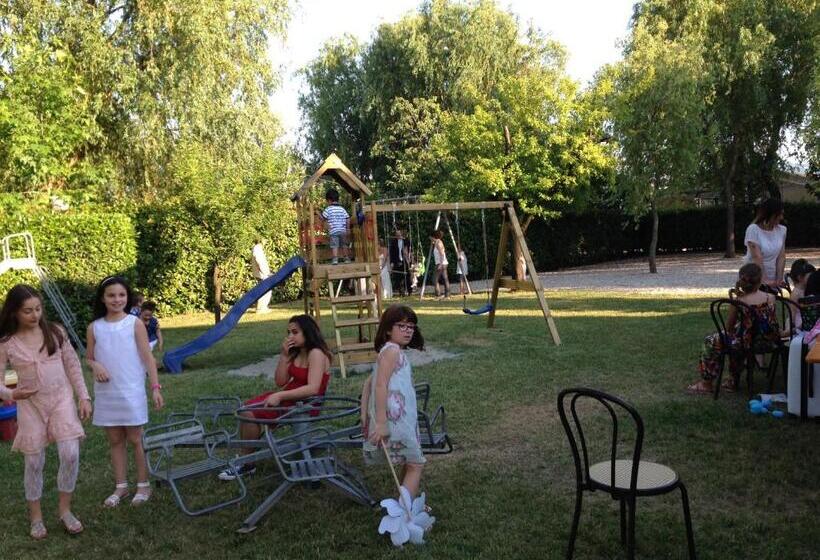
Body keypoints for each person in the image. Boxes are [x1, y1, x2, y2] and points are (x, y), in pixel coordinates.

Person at [0, 285, 92, 539]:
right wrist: (10, 394)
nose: (35, 315)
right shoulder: (7, 343)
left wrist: (83, 396)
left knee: (70, 453)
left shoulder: (55, 332)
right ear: (15, 312)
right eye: (27, 311)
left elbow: (73, 366)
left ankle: (65, 510)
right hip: (30, 406)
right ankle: (36, 518)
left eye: (38, 309)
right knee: (34, 460)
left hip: (61, 399)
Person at [219, 314, 332, 480]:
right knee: (246, 409)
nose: (290, 336)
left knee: (249, 413)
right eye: (288, 332)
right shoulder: (297, 352)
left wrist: (280, 396)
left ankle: (246, 463)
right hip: (288, 397)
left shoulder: (316, 353)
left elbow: (313, 388)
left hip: (305, 403)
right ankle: (246, 460)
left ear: (308, 332)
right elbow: (281, 381)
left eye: (295, 332)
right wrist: (284, 356)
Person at [87, 276, 164, 507]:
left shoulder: (134, 323)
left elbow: (147, 358)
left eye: (121, 295)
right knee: (115, 440)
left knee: (135, 438)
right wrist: (95, 365)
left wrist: (155, 387)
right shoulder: (94, 327)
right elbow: (89, 358)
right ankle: (121, 486)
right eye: (111, 295)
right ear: (103, 298)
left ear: (127, 297)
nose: (117, 299)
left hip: (130, 390)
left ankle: (143, 484)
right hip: (106, 393)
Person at [360, 305, 426, 499]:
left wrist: (363, 412)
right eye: (402, 326)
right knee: (416, 464)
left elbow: (369, 382)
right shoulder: (392, 351)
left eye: (411, 327)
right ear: (388, 329)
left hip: (401, 418)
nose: (408, 331)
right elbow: (379, 385)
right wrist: (380, 423)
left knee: (409, 461)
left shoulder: (392, 350)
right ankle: (404, 516)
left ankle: (404, 501)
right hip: (395, 420)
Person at [687, 263, 780, 395]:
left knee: (714, 340)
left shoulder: (739, 301)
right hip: (768, 341)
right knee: (738, 340)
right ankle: (732, 380)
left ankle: (707, 383)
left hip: (745, 341)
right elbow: (771, 322)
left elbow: (729, 327)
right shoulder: (770, 297)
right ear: (760, 281)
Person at [743, 198, 787, 289]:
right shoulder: (753, 229)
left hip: (773, 277)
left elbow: (781, 256)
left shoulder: (782, 230)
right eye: (779, 214)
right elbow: (757, 257)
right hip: (753, 277)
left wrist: (779, 278)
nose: (781, 217)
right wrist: (764, 280)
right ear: (770, 214)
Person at [322, 188, 350, 264]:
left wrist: (318, 214)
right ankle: (346, 258)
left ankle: (335, 259)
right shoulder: (342, 209)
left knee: (335, 245)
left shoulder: (328, 209)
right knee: (344, 244)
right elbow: (347, 218)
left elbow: (323, 217)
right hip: (342, 230)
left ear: (329, 200)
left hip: (333, 231)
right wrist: (347, 228)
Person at [788, 259, 815, 331]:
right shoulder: (796, 294)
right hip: (801, 324)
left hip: (810, 320)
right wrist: (791, 329)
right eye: (810, 276)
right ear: (800, 277)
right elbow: (792, 314)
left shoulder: (809, 289)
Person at [252, 238, 272, 313]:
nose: (266, 242)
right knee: (265, 291)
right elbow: (259, 261)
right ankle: (261, 308)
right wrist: (266, 272)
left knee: (265, 290)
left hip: (261, 273)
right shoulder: (257, 249)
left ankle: (262, 307)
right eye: (265, 240)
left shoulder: (258, 248)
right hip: (262, 274)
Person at [389, 228, 412, 296]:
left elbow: (411, 251)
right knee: (398, 278)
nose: (398, 236)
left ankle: (409, 291)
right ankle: (401, 292)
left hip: (405, 261)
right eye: (396, 234)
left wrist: (411, 260)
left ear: (401, 234)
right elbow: (392, 253)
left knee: (407, 276)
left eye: (399, 234)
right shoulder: (394, 242)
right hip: (397, 261)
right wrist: (392, 262)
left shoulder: (407, 241)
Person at [430, 230, 449, 299]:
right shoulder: (436, 242)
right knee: (445, 279)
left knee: (435, 279)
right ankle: (447, 295)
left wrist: (440, 264)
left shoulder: (438, 243)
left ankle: (438, 295)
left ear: (433, 236)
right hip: (442, 263)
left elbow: (442, 254)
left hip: (441, 263)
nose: (430, 238)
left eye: (430, 237)